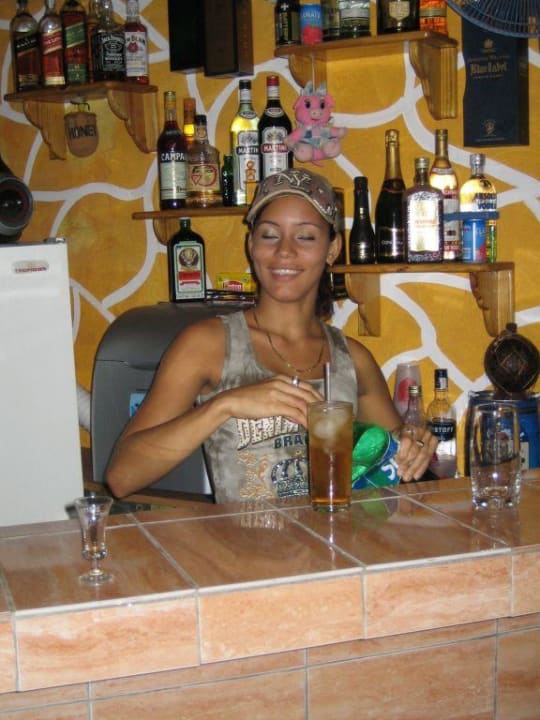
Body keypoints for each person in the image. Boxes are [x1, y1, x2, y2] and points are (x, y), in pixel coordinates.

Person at [106, 168, 437, 502]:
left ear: (333, 248)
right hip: (242, 537)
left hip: (336, 535)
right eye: (269, 235)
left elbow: (396, 467)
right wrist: (224, 405)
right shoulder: (207, 344)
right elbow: (121, 477)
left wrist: (415, 446)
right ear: (251, 245)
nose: (285, 251)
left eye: (305, 236)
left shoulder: (353, 358)